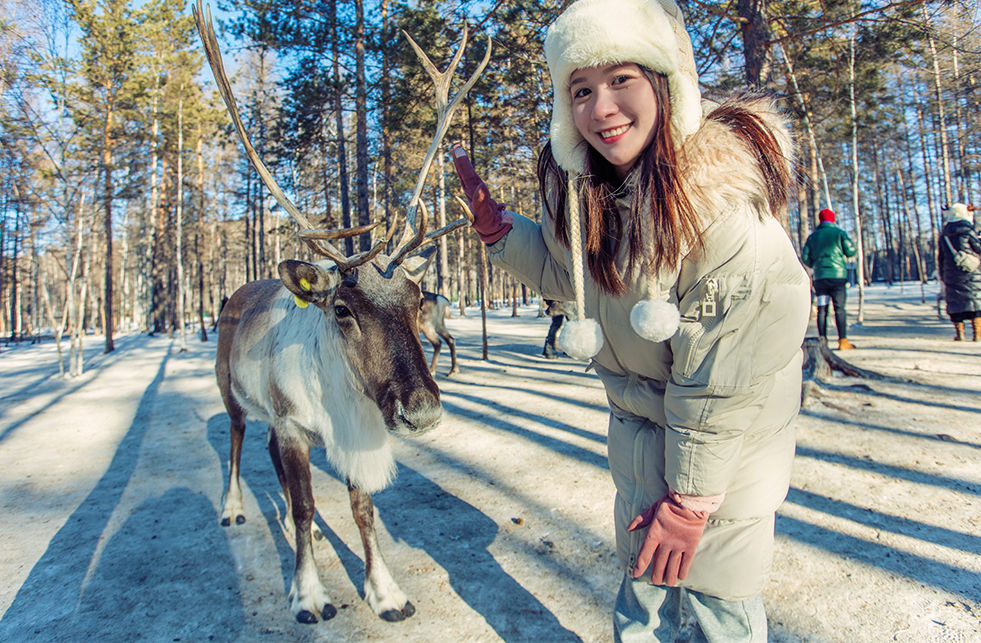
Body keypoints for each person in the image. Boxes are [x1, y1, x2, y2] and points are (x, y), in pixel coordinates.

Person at [451, 0, 810, 639]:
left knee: (714, 610)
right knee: (640, 603)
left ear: (666, 84)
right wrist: (501, 232)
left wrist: (691, 501)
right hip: (646, 453)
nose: (602, 108)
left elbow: (723, 383)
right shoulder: (599, 199)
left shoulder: (724, 214)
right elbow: (573, 280)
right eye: (581, 90)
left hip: (721, 461)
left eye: (622, 80)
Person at [801, 208, 858, 350]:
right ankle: (843, 341)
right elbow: (851, 250)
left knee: (822, 309)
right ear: (832, 219)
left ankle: (823, 341)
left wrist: (816, 264)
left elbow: (805, 257)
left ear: (820, 220)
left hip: (821, 279)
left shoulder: (813, 237)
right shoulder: (839, 233)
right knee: (839, 309)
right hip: (838, 277)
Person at [937, 203, 981, 341]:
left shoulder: (944, 234)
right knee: (975, 302)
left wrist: (943, 274)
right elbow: (978, 248)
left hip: (951, 273)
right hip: (970, 271)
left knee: (955, 303)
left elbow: (941, 258)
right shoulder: (968, 231)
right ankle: (977, 334)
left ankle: (960, 334)